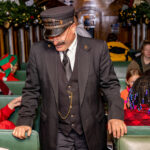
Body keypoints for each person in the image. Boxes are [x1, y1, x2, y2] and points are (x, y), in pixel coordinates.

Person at [13, 6, 127, 150]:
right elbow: (31, 90)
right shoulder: (38, 51)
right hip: (56, 131)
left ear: (73, 27)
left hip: (90, 129)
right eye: (50, 36)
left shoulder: (98, 49)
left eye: (58, 35)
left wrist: (115, 115)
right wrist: (24, 120)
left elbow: (110, 85)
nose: (54, 41)